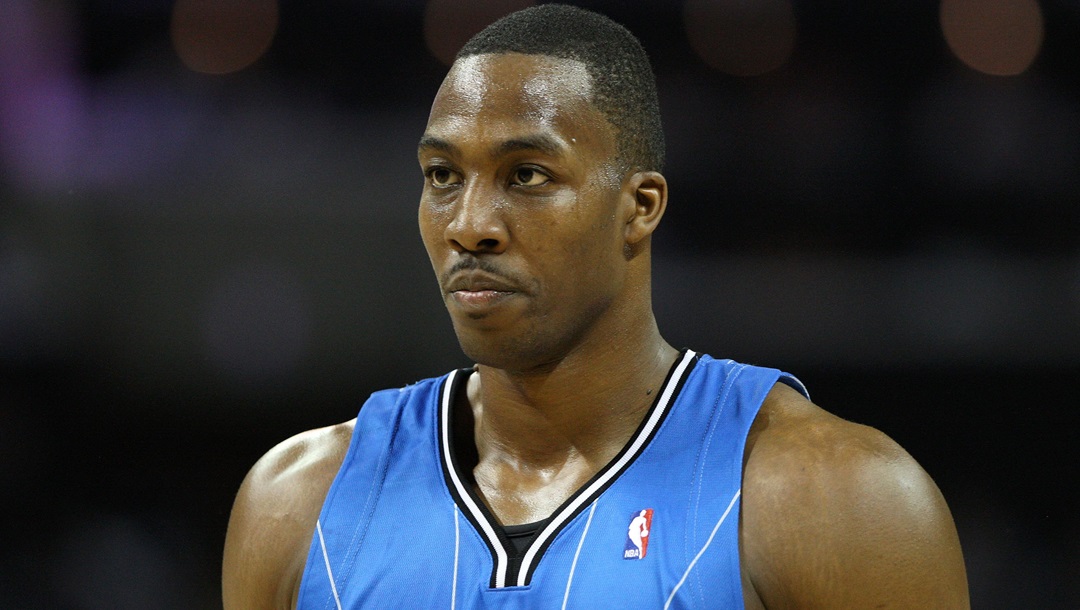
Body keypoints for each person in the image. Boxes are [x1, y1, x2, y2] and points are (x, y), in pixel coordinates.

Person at [222, 4, 969, 608]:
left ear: (638, 207)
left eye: (527, 174)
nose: (469, 224)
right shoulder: (297, 504)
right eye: (443, 174)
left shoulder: (839, 500)